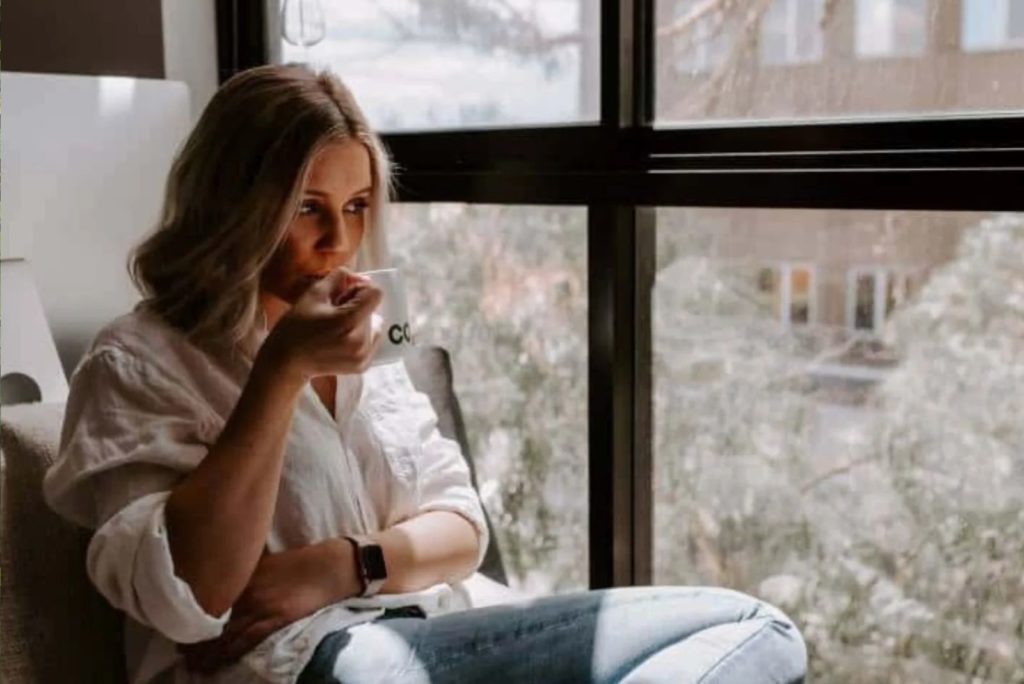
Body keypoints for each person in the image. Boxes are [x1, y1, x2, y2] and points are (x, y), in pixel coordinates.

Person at [42, 64, 808, 684]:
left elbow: (461, 526)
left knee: (754, 630)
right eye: (307, 207)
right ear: (236, 205)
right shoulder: (138, 362)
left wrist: (343, 565)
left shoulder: (367, 344)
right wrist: (281, 371)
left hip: (430, 631)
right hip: (301, 667)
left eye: (356, 205)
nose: (338, 239)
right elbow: (191, 597)